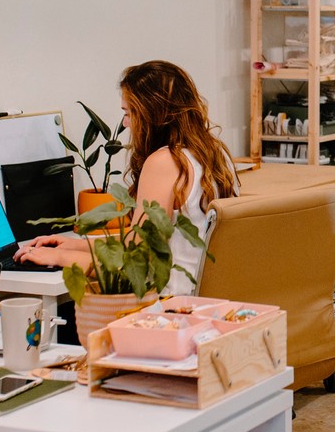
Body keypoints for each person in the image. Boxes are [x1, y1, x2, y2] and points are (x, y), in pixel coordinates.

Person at [16, 61, 239, 294]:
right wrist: (75, 245)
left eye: (128, 113)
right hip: (210, 302)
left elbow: (136, 262)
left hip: (171, 302)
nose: (125, 123)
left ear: (152, 113)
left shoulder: (165, 162)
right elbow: (143, 242)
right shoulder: (216, 153)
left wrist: (60, 257)